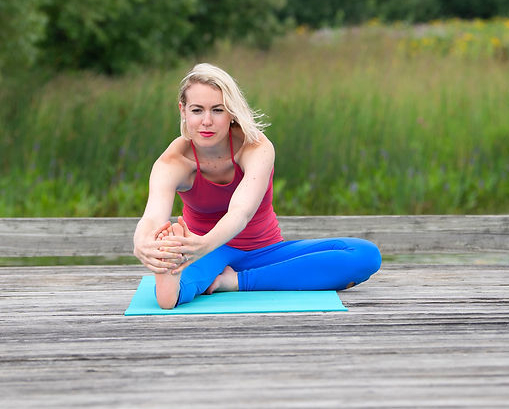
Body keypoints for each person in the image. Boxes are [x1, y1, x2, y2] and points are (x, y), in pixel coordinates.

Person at [133, 63, 381, 309]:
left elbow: (241, 212)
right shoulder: (173, 162)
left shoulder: (256, 147)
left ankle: (234, 281)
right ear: (183, 111)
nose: (206, 121)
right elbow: (153, 216)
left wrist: (202, 245)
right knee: (176, 289)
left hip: (266, 253)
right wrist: (143, 243)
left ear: (231, 112)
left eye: (217, 110)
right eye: (197, 110)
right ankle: (173, 277)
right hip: (208, 256)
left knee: (364, 255)